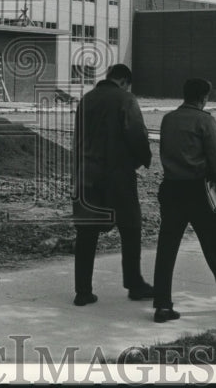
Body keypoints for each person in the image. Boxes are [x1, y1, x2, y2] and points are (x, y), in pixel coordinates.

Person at [151, 77, 216, 322]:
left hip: (171, 188)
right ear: (203, 97)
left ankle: (162, 305)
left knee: (166, 248)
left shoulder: (168, 119)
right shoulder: (205, 121)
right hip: (198, 191)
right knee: (213, 245)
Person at [72, 63, 154, 306]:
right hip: (117, 175)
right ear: (125, 81)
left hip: (86, 175)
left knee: (86, 233)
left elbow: (77, 138)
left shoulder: (86, 99)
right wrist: (143, 159)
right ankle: (134, 283)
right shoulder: (125, 99)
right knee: (130, 228)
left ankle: (83, 291)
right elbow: (137, 134)